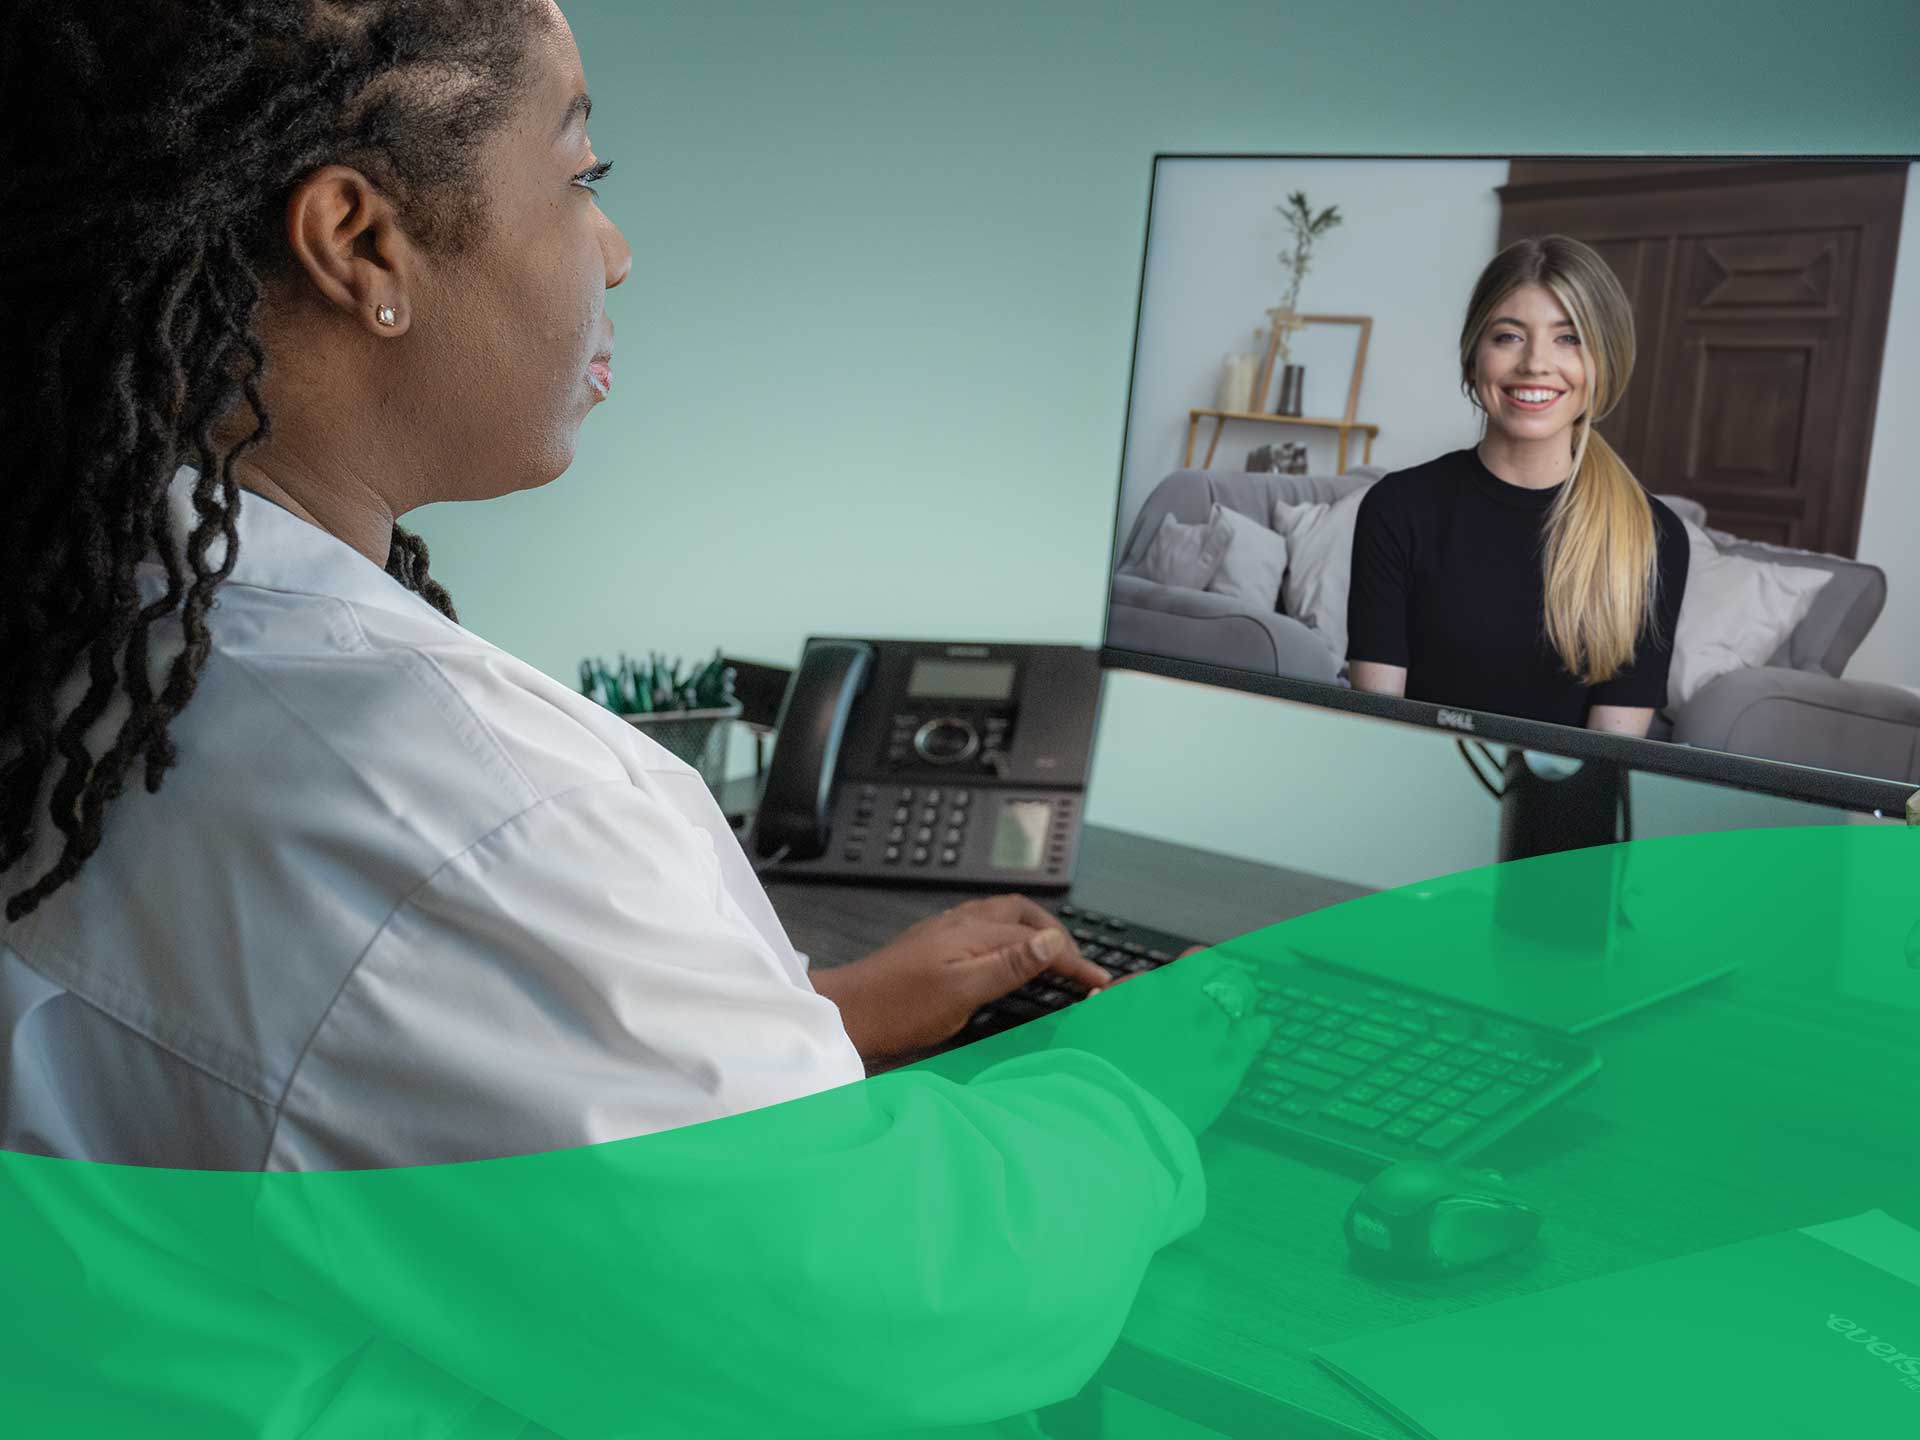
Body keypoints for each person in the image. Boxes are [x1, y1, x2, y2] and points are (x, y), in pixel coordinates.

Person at [0, 2, 1269, 1434]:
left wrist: (801, 1027)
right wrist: (1127, 1097)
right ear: (361, 245)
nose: (614, 249)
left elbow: (320, 1069)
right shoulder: (454, 795)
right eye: (581, 174)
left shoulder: (87, 627)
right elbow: (882, 1317)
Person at [1346, 235, 1690, 736]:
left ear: (1605, 362)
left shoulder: (1653, 536)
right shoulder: (1397, 509)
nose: (1535, 363)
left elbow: (1609, 754)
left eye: (1569, 338)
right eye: (1508, 336)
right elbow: (1377, 731)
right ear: (1473, 356)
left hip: (1555, 809)